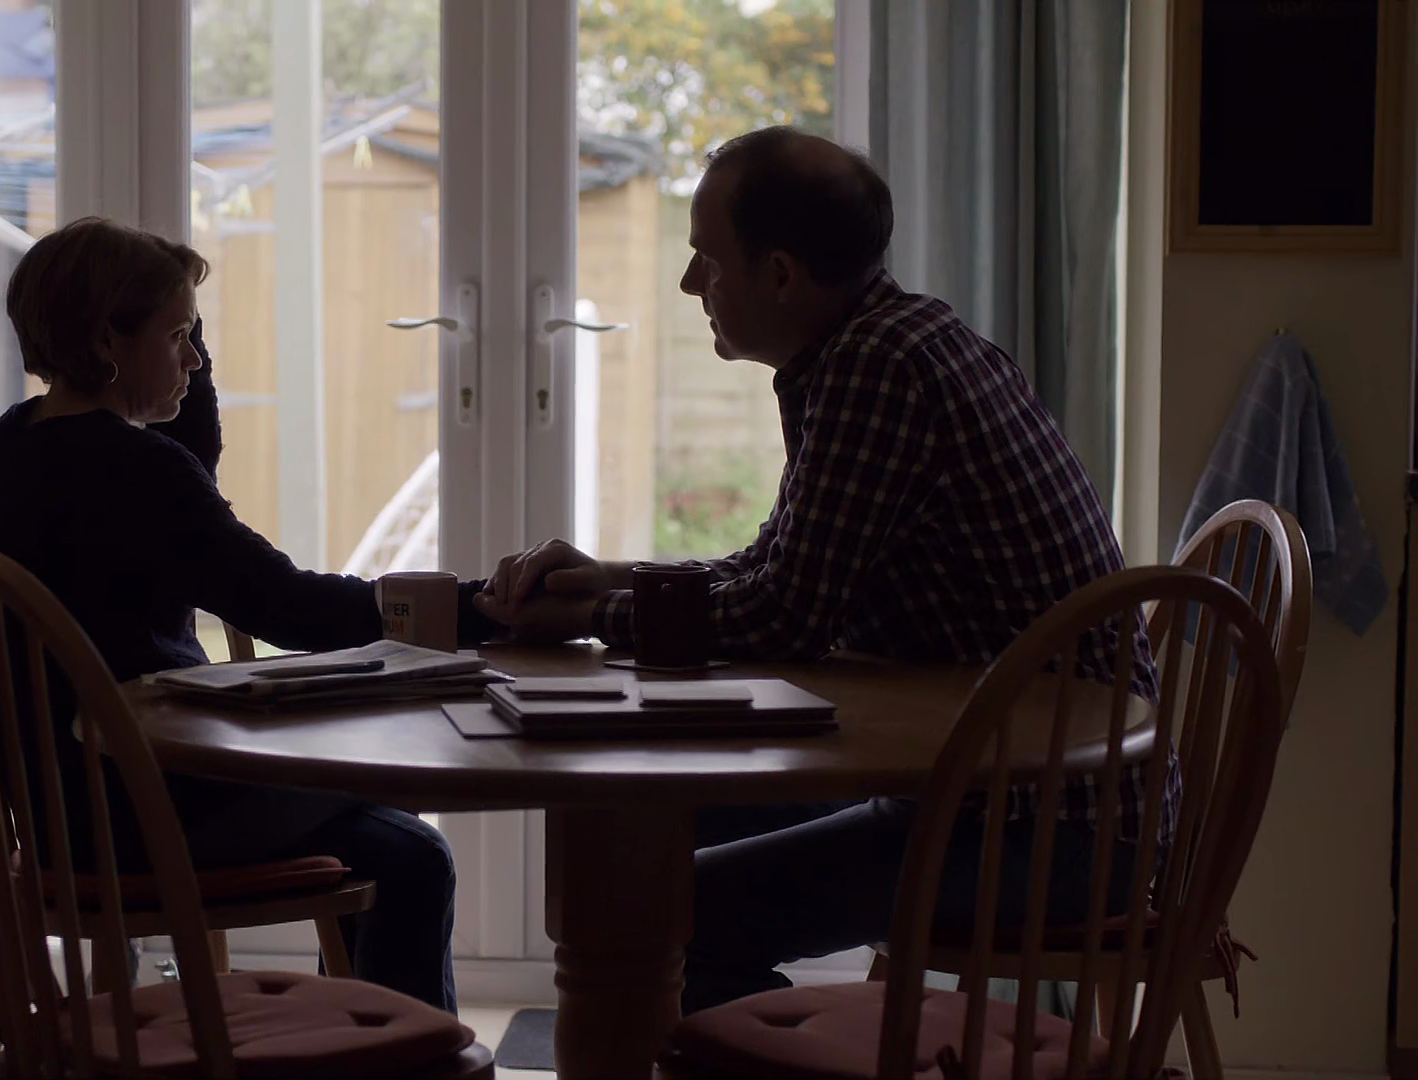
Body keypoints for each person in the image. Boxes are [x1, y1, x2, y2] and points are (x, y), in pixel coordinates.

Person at [475, 126, 1168, 1013]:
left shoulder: (879, 369)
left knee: (672, 913)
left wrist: (587, 619)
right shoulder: (890, 342)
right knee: (652, 839)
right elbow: (775, 566)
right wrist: (609, 577)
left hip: (1050, 826)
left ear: (779, 275)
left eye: (706, 259)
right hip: (991, 790)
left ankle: (761, 1055)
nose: (689, 284)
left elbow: (784, 618)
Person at [0, 216, 499, 1013]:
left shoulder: (18, 440)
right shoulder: (140, 476)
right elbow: (299, 611)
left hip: (54, 814)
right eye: (179, 336)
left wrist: (177, 342)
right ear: (108, 340)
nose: (194, 360)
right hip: (141, 813)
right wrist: (482, 607)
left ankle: (359, 1041)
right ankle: (389, 1051)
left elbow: (184, 473)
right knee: (412, 852)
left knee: (392, 843)